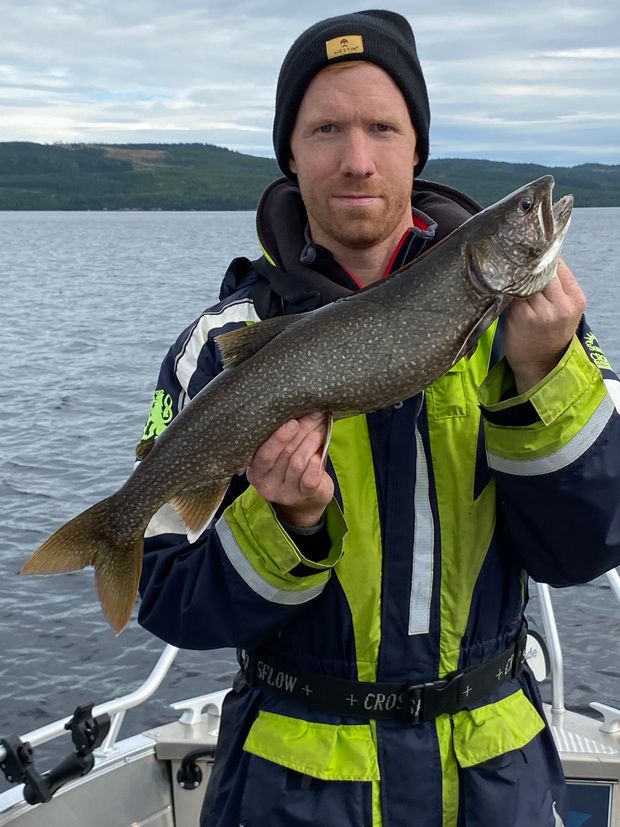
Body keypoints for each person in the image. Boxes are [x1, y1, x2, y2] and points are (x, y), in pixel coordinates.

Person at [137, 11, 620, 827]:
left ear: (416, 147)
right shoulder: (217, 347)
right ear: (290, 152)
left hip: (493, 781)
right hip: (292, 791)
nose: (356, 159)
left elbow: (586, 548)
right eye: (326, 129)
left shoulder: (536, 329)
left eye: (382, 128)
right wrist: (285, 525)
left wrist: (544, 376)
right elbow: (168, 595)